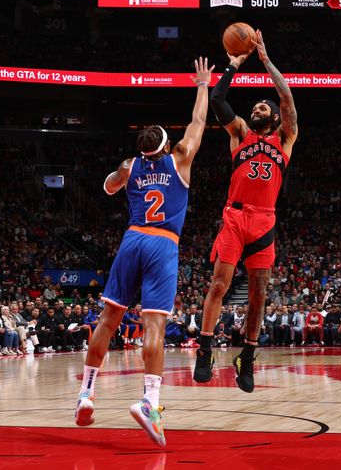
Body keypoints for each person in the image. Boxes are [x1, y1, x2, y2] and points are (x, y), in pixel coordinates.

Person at [75, 58, 213, 448]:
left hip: (132, 239)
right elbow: (199, 123)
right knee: (153, 327)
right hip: (163, 243)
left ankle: (86, 393)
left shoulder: (130, 165)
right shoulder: (181, 157)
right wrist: (202, 84)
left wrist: (122, 173)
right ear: (166, 145)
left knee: (108, 319)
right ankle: (150, 402)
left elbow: (107, 188)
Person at [194, 30, 299, 392]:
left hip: (264, 221)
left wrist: (266, 60)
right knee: (219, 283)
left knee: (258, 296)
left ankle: (248, 357)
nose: (256, 109)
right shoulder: (239, 133)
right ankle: (205, 349)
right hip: (236, 217)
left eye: (261, 108)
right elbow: (219, 98)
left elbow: (286, 100)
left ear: (272, 118)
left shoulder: (284, 139)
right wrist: (234, 64)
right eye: (254, 107)